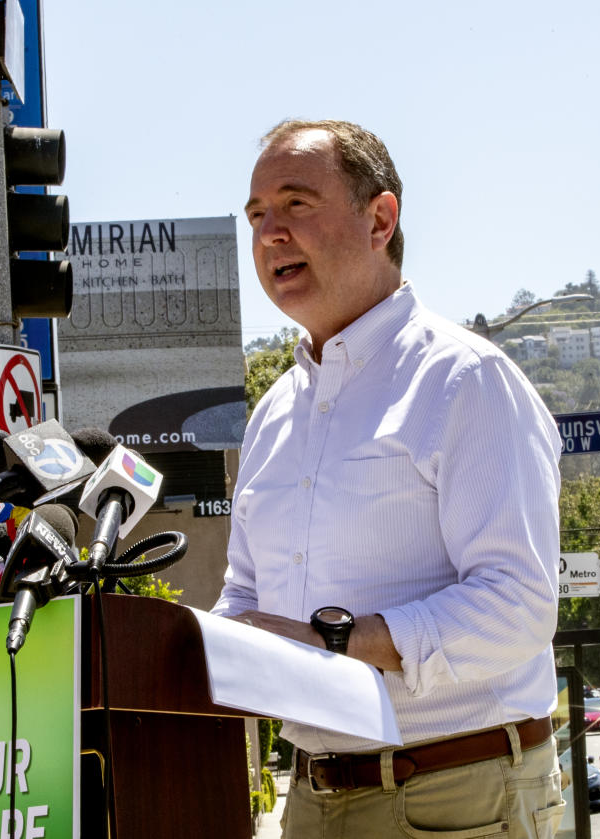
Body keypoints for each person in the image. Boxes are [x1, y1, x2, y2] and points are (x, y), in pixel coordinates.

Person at [213, 119, 564, 837]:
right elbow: (247, 596)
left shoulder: (468, 381)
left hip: (454, 793)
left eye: (296, 204)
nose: (270, 232)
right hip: (310, 799)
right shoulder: (272, 415)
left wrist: (343, 642)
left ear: (381, 218)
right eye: (256, 216)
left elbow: (520, 605)